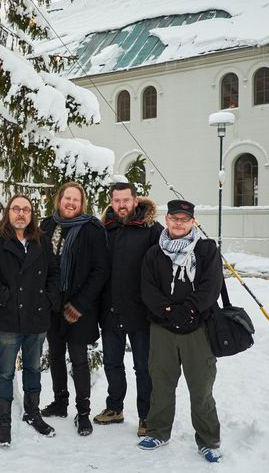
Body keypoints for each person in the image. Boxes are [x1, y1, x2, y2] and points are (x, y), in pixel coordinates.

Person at [138, 200, 224, 464]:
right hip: (162, 329)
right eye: (174, 218)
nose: (178, 223)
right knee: (161, 384)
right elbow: (148, 289)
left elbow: (211, 285)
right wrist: (167, 312)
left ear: (192, 222)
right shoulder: (154, 253)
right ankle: (158, 431)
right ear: (167, 220)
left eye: (184, 219)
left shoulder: (207, 250)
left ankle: (209, 440)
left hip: (197, 328)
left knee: (200, 388)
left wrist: (188, 310)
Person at [0, 194, 60, 447]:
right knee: (6, 371)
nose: (21, 213)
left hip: (37, 317)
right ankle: (4, 420)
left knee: (33, 368)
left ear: (31, 214)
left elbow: (54, 273)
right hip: (9, 318)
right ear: (8, 213)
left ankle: (33, 413)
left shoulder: (41, 241)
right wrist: (4, 296)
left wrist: (48, 299)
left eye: (26, 209)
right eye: (16, 209)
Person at [38, 182, 109, 437]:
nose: (70, 203)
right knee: (55, 355)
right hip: (52, 304)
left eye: (75, 200)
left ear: (82, 204)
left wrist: (79, 304)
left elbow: (101, 271)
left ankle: (83, 412)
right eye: (66, 198)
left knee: (78, 360)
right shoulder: (47, 226)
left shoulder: (92, 229)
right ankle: (60, 401)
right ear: (59, 200)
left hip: (79, 307)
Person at [94, 183, 163, 437]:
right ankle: (114, 408)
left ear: (136, 201)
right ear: (111, 202)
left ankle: (146, 415)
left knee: (143, 367)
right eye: (117, 200)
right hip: (110, 310)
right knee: (112, 363)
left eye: (126, 200)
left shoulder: (152, 230)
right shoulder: (104, 230)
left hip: (140, 312)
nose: (121, 205)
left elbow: (163, 268)